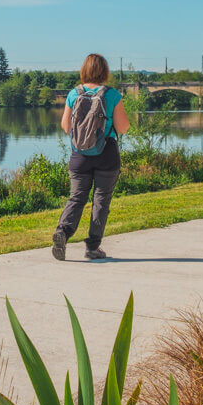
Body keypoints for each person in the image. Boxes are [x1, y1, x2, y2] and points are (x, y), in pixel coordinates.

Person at [53, 53, 131, 261]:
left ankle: (63, 231)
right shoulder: (112, 94)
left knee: (77, 197)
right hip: (106, 154)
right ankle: (92, 247)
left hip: (79, 155)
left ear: (84, 70)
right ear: (105, 71)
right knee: (101, 201)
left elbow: (65, 125)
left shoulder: (74, 93)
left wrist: (82, 138)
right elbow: (123, 128)